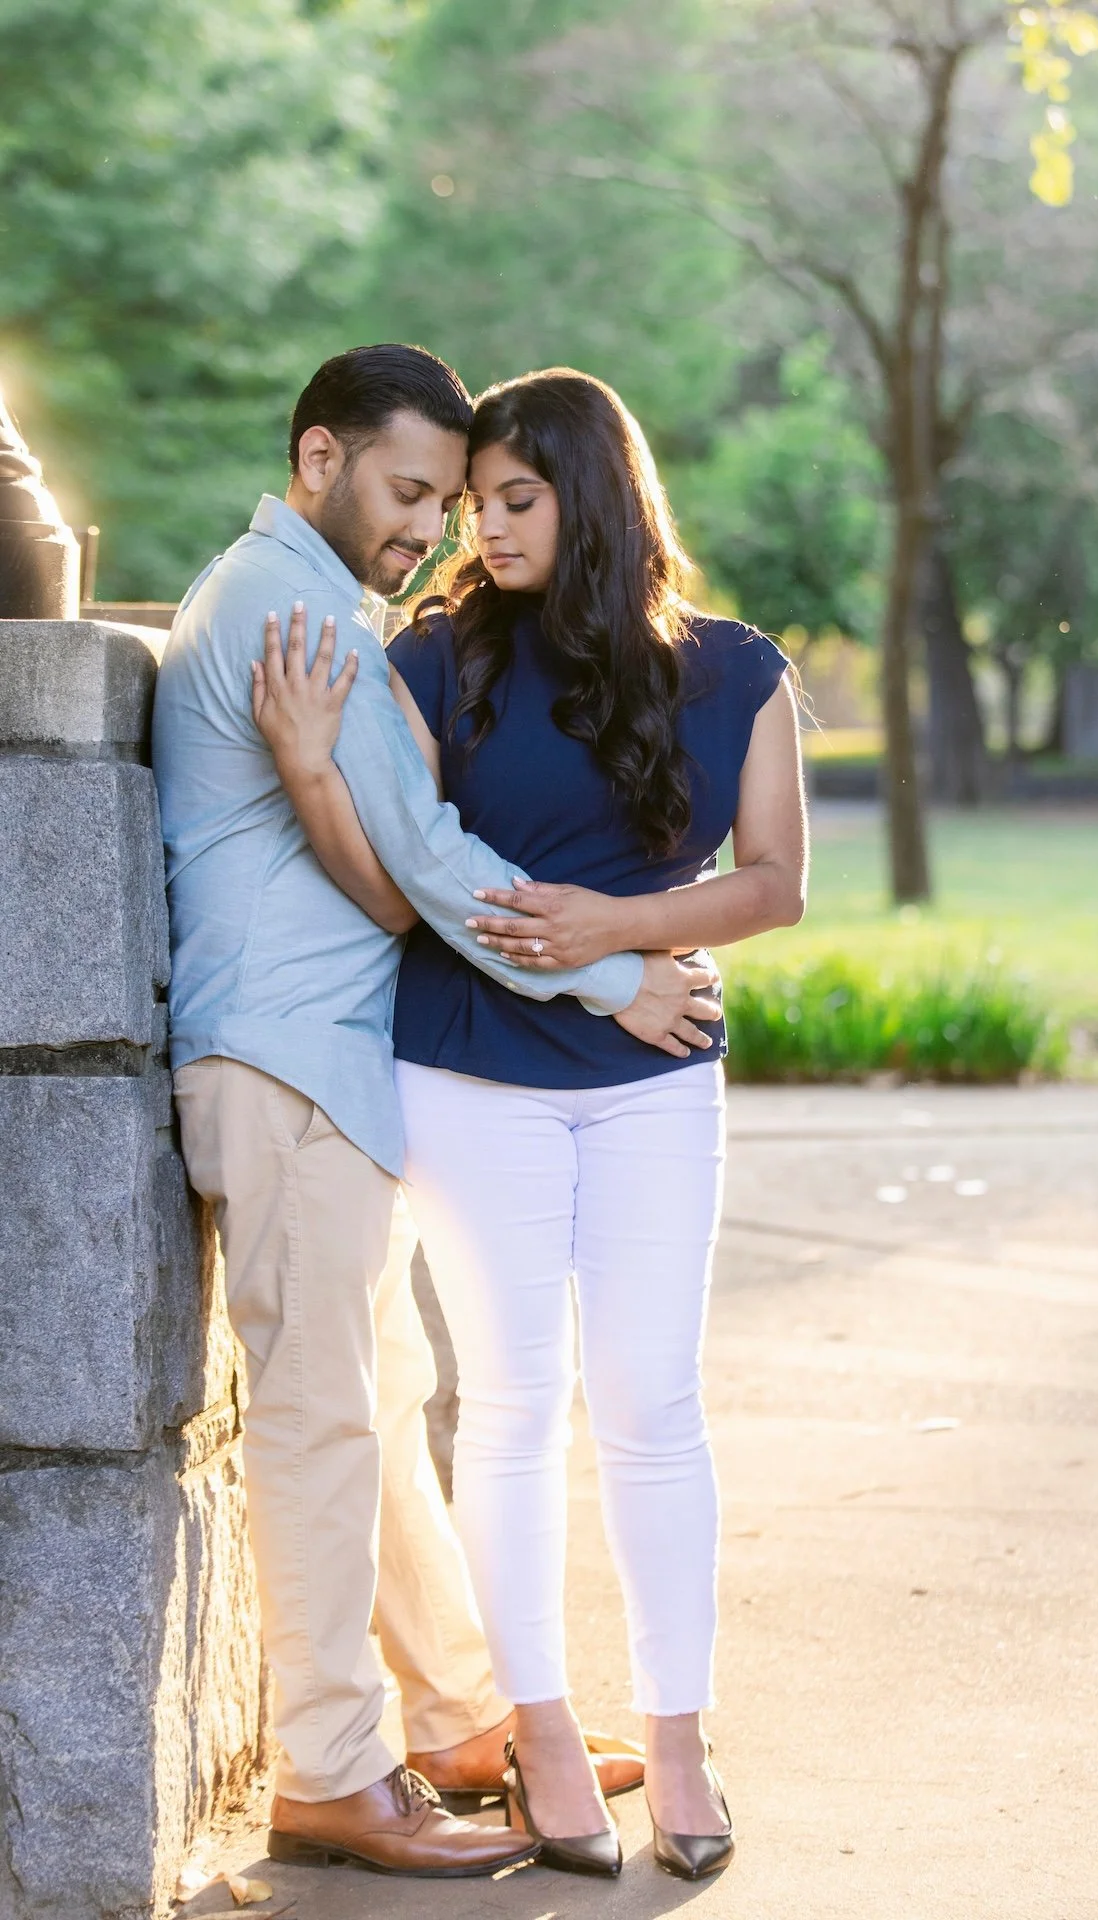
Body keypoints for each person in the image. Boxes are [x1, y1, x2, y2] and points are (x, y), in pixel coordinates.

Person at [151, 344, 717, 1879]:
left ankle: (460, 1712)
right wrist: (620, 977)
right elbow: (433, 859)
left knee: (384, 1394)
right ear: (318, 461)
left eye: (452, 504)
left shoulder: (323, 609)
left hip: (322, 1066)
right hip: (283, 1063)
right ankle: (334, 1770)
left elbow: (391, 865)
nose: (436, 533)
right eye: (410, 494)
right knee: (326, 1419)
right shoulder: (294, 612)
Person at [251, 367, 808, 1880]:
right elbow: (412, 883)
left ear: (595, 496)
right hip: (469, 1072)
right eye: (468, 502)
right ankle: (543, 1729)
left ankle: (679, 1735)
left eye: (513, 500)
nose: (479, 530)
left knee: (653, 1407)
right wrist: (312, 763)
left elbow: (773, 883)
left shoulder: (733, 670)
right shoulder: (435, 662)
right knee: (509, 1406)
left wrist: (616, 934)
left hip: (658, 1077)